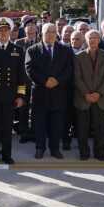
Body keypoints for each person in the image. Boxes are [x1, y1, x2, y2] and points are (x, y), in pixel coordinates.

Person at [25, 23, 74, 159]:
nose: (51, 34)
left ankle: (55, 149)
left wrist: (57, 80)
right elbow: (29, 69)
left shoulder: (65, 50)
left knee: (57, 124)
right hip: (41, 92)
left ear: (56, 33)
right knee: (39, 123)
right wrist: (45, 81)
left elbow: (69, 69)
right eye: (47, 31)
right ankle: (40, 148)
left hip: (58, 93)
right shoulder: (32, 50)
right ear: (42, 33)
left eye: (53, 31)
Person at [0, 17, 26, 165]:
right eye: (0, 30)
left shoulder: (18, 50)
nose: (3, 33)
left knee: (7, 127)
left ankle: (7, 155)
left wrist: (20, 95)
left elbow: (21, 76)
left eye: (5, 30)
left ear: (10, 32)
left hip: (10, 96)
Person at [73, 30, 104, 161]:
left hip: (101, 98)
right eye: (90, 38)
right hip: (83, 98)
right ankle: (84, 153)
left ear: (99, 40)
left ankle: (100, 153)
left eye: (95, 38)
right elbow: (77, 78)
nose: (93, 40)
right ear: (86, 40)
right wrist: (86, 94)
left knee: (100, 128)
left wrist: (98, 93)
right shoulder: (78, 57)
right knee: (82, 129)